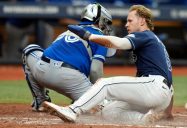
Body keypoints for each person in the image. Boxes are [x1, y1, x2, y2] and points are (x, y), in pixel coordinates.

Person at [43, 4, 174, 123]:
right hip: (161, 96)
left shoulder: (145, 35)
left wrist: (89, 36)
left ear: (142, 21)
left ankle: (72, 110)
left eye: (130, 21)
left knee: (105, 84)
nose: (126, 25)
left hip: (153, 88)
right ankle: (144, 119)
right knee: (109, 111)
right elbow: (170, 85)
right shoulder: (155, 41)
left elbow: (119, 43)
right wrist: (168, 111)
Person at [22, 3, 115, 112]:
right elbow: (95, 70)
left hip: (42, 70)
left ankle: (40, 101)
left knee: (30, 49)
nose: (107, 26)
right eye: (106, 22)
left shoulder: (69, 30)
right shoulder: (100, 37)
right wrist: (95, 94)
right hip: (69, 79)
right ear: (100, 20)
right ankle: (82, 102)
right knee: (106, 108)